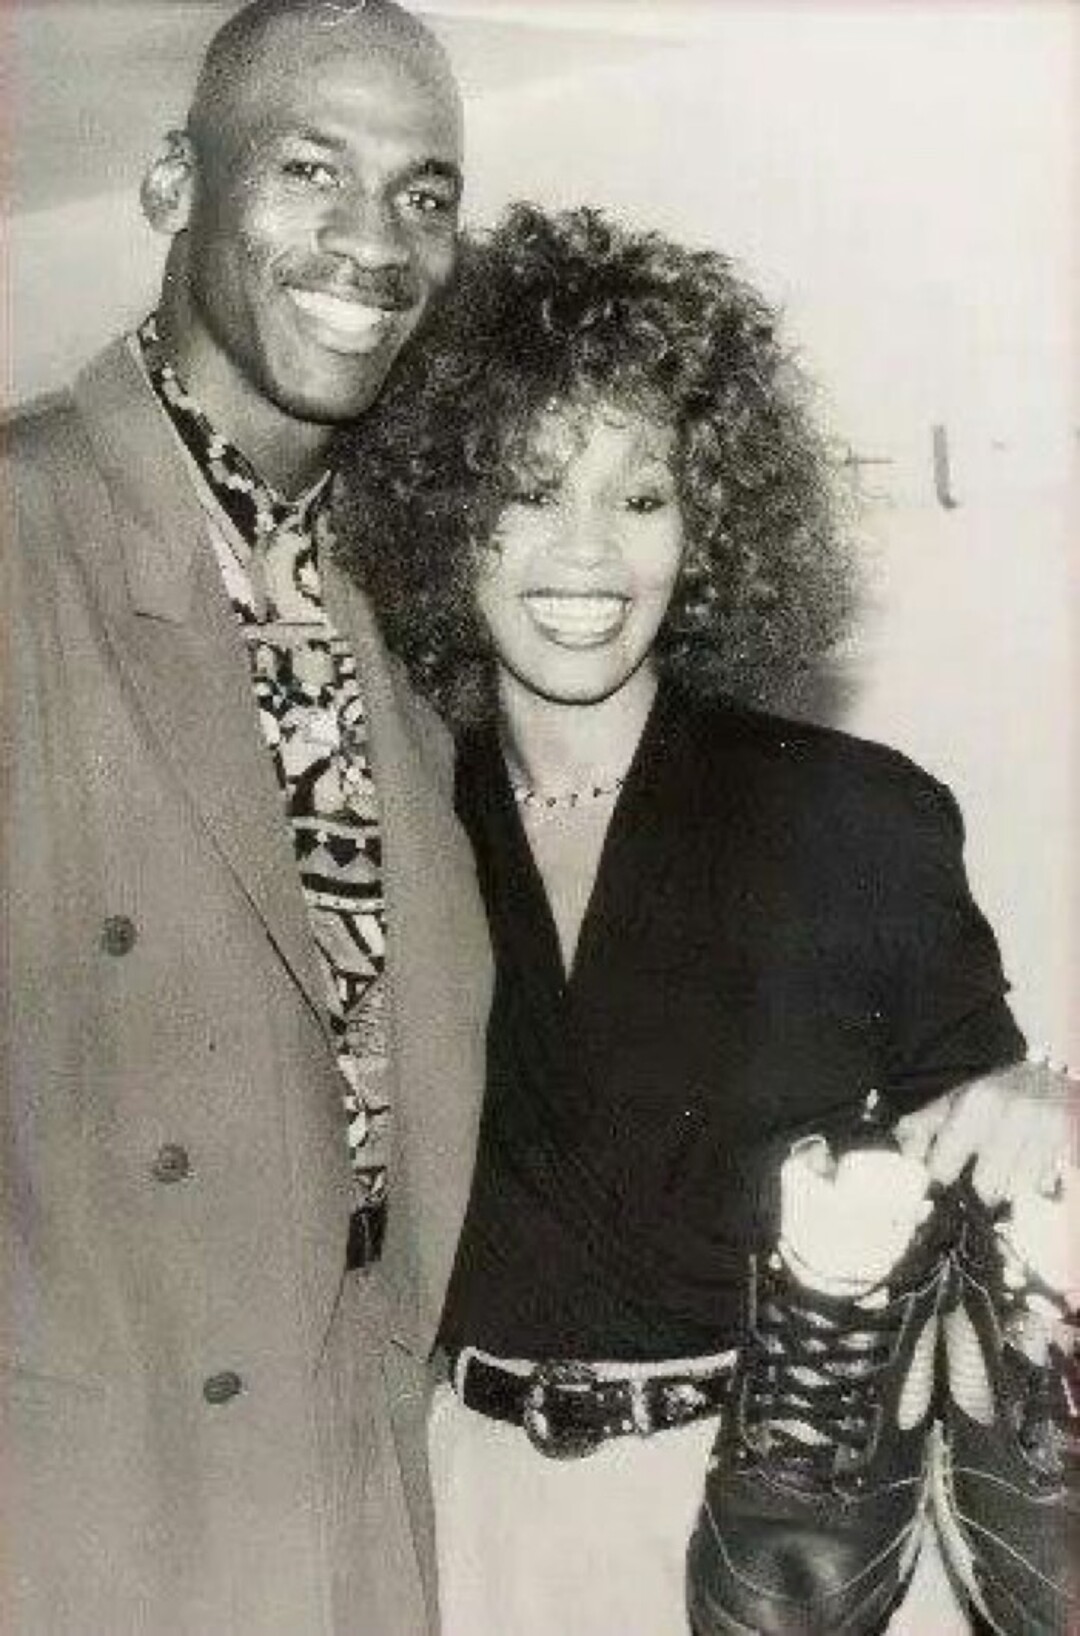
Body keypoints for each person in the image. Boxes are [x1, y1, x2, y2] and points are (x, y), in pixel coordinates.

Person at [335, 203, 1076, 1635]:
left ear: (711, 527)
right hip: (470, 1515)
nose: (586, 556)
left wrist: (1043, 1106)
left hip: (781, 1531)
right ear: (445, 513)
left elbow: (989, 1166)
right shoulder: (393, 815)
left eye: (643, 498)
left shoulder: (851, 809)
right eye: (530, 490)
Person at [1, 3, 490, 1633]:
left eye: (424, 192)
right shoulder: (22, 527)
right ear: (171, 184)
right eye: (309, 169)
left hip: (353, 1469)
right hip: (85, 1496)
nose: (376, 241)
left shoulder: (416, 584)